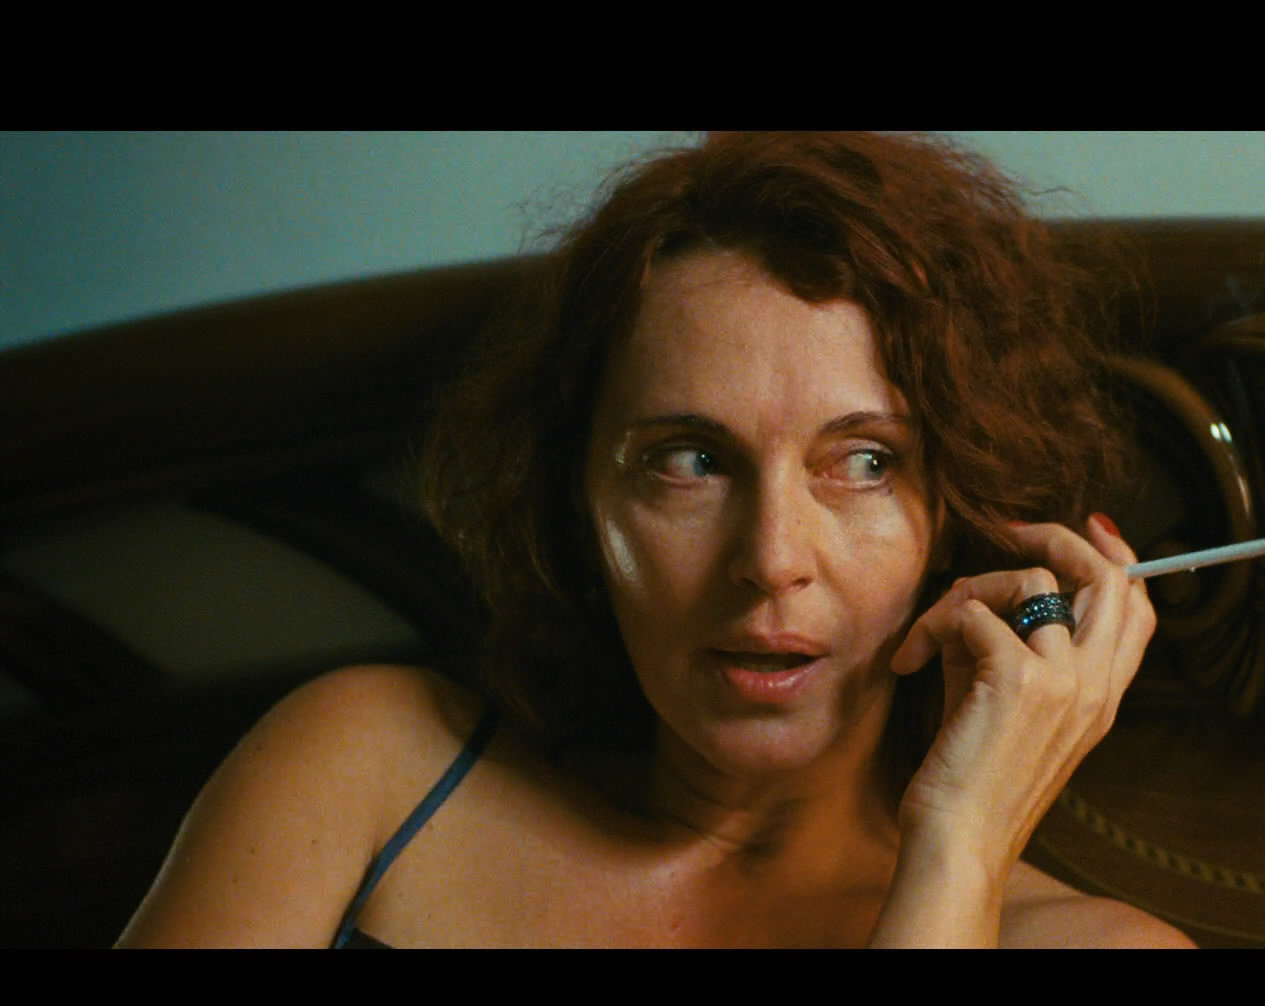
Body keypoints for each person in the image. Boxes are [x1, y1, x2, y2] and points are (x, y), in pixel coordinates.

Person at [119, 132, 1192, 948]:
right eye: (690, 460)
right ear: (575, 495)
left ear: (960, 508)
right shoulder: (364, 768)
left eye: (865, 462)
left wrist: (959, 848)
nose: (771, 558)